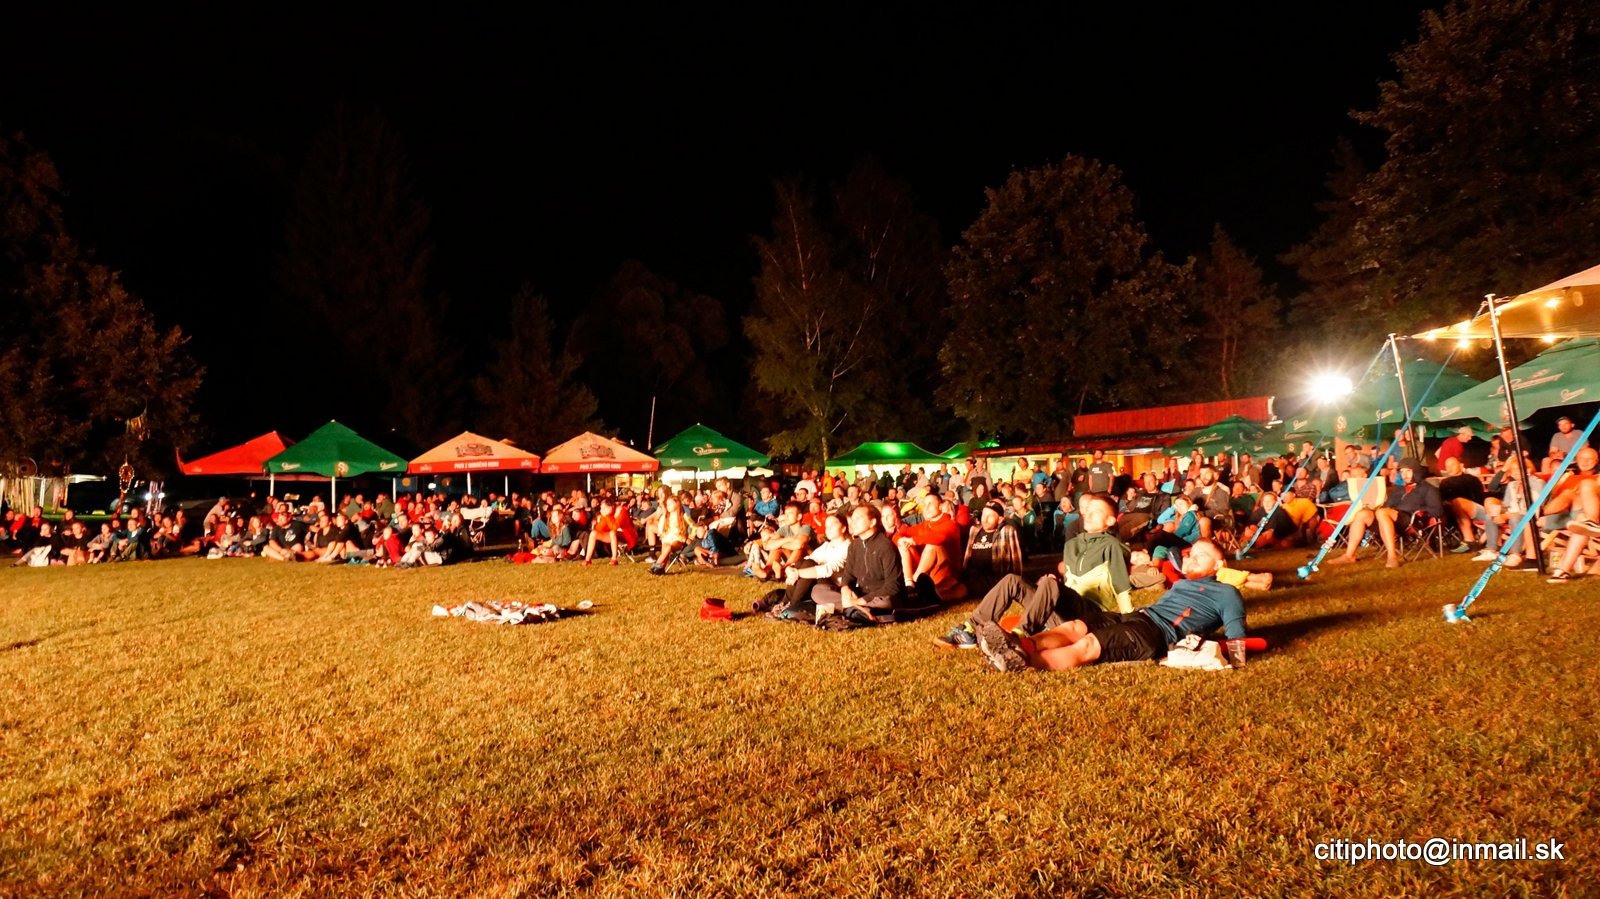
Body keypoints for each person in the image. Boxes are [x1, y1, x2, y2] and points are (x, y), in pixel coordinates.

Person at [972, 540, 1246, 672]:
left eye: (1202, 555)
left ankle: (1023, 662)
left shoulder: (1227, 593)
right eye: (1191, 553)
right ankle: (1020, 645)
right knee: (1074, 626)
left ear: (1219, 564)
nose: (1193, 558)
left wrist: (1235, 659)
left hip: (1154, 635)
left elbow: (1237, 639)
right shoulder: (1181, 584)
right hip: (1135, 617)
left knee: (1088, 645)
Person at [934, 495, 1130, 650]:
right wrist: (1051, 588)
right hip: (1062, 615)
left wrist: (1130, 624)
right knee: (1012, 580)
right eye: (1088, 510)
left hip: (1089, 614)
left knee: (1050, 583)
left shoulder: (1112, 546)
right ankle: (970, 629)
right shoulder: (1072, 544)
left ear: (1111, 520)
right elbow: (1069, 582)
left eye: (1097, 511)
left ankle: (1020, 635)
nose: (1089, 514)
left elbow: (1121, 587)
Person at [1328, 459, 1440, 568]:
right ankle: (1349, 555)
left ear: (1416, 471)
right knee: (1363, 514)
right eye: (1402, 472)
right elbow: (1387, 505)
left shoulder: (1428, 489)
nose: (1404, 475)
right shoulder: (1399, 489)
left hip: (1411, 520)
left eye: (1408, 471)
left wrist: (1420, 511)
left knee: (1382, 512)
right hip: (1388, 519)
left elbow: (1437, 510)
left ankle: (1392, 557)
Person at [895, 493, 965, 602]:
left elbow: (938, 538)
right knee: (904, 544)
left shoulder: (951, 524)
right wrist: (900, 540)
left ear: (940, 506)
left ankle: (915, 581)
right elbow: (899, 534)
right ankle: (909, 584)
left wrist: (913, 540)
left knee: (932, 546)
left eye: (930, 504)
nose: (926, 508)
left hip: (946, 574)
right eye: (924, 504)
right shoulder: (924, 525)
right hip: (927, 572)